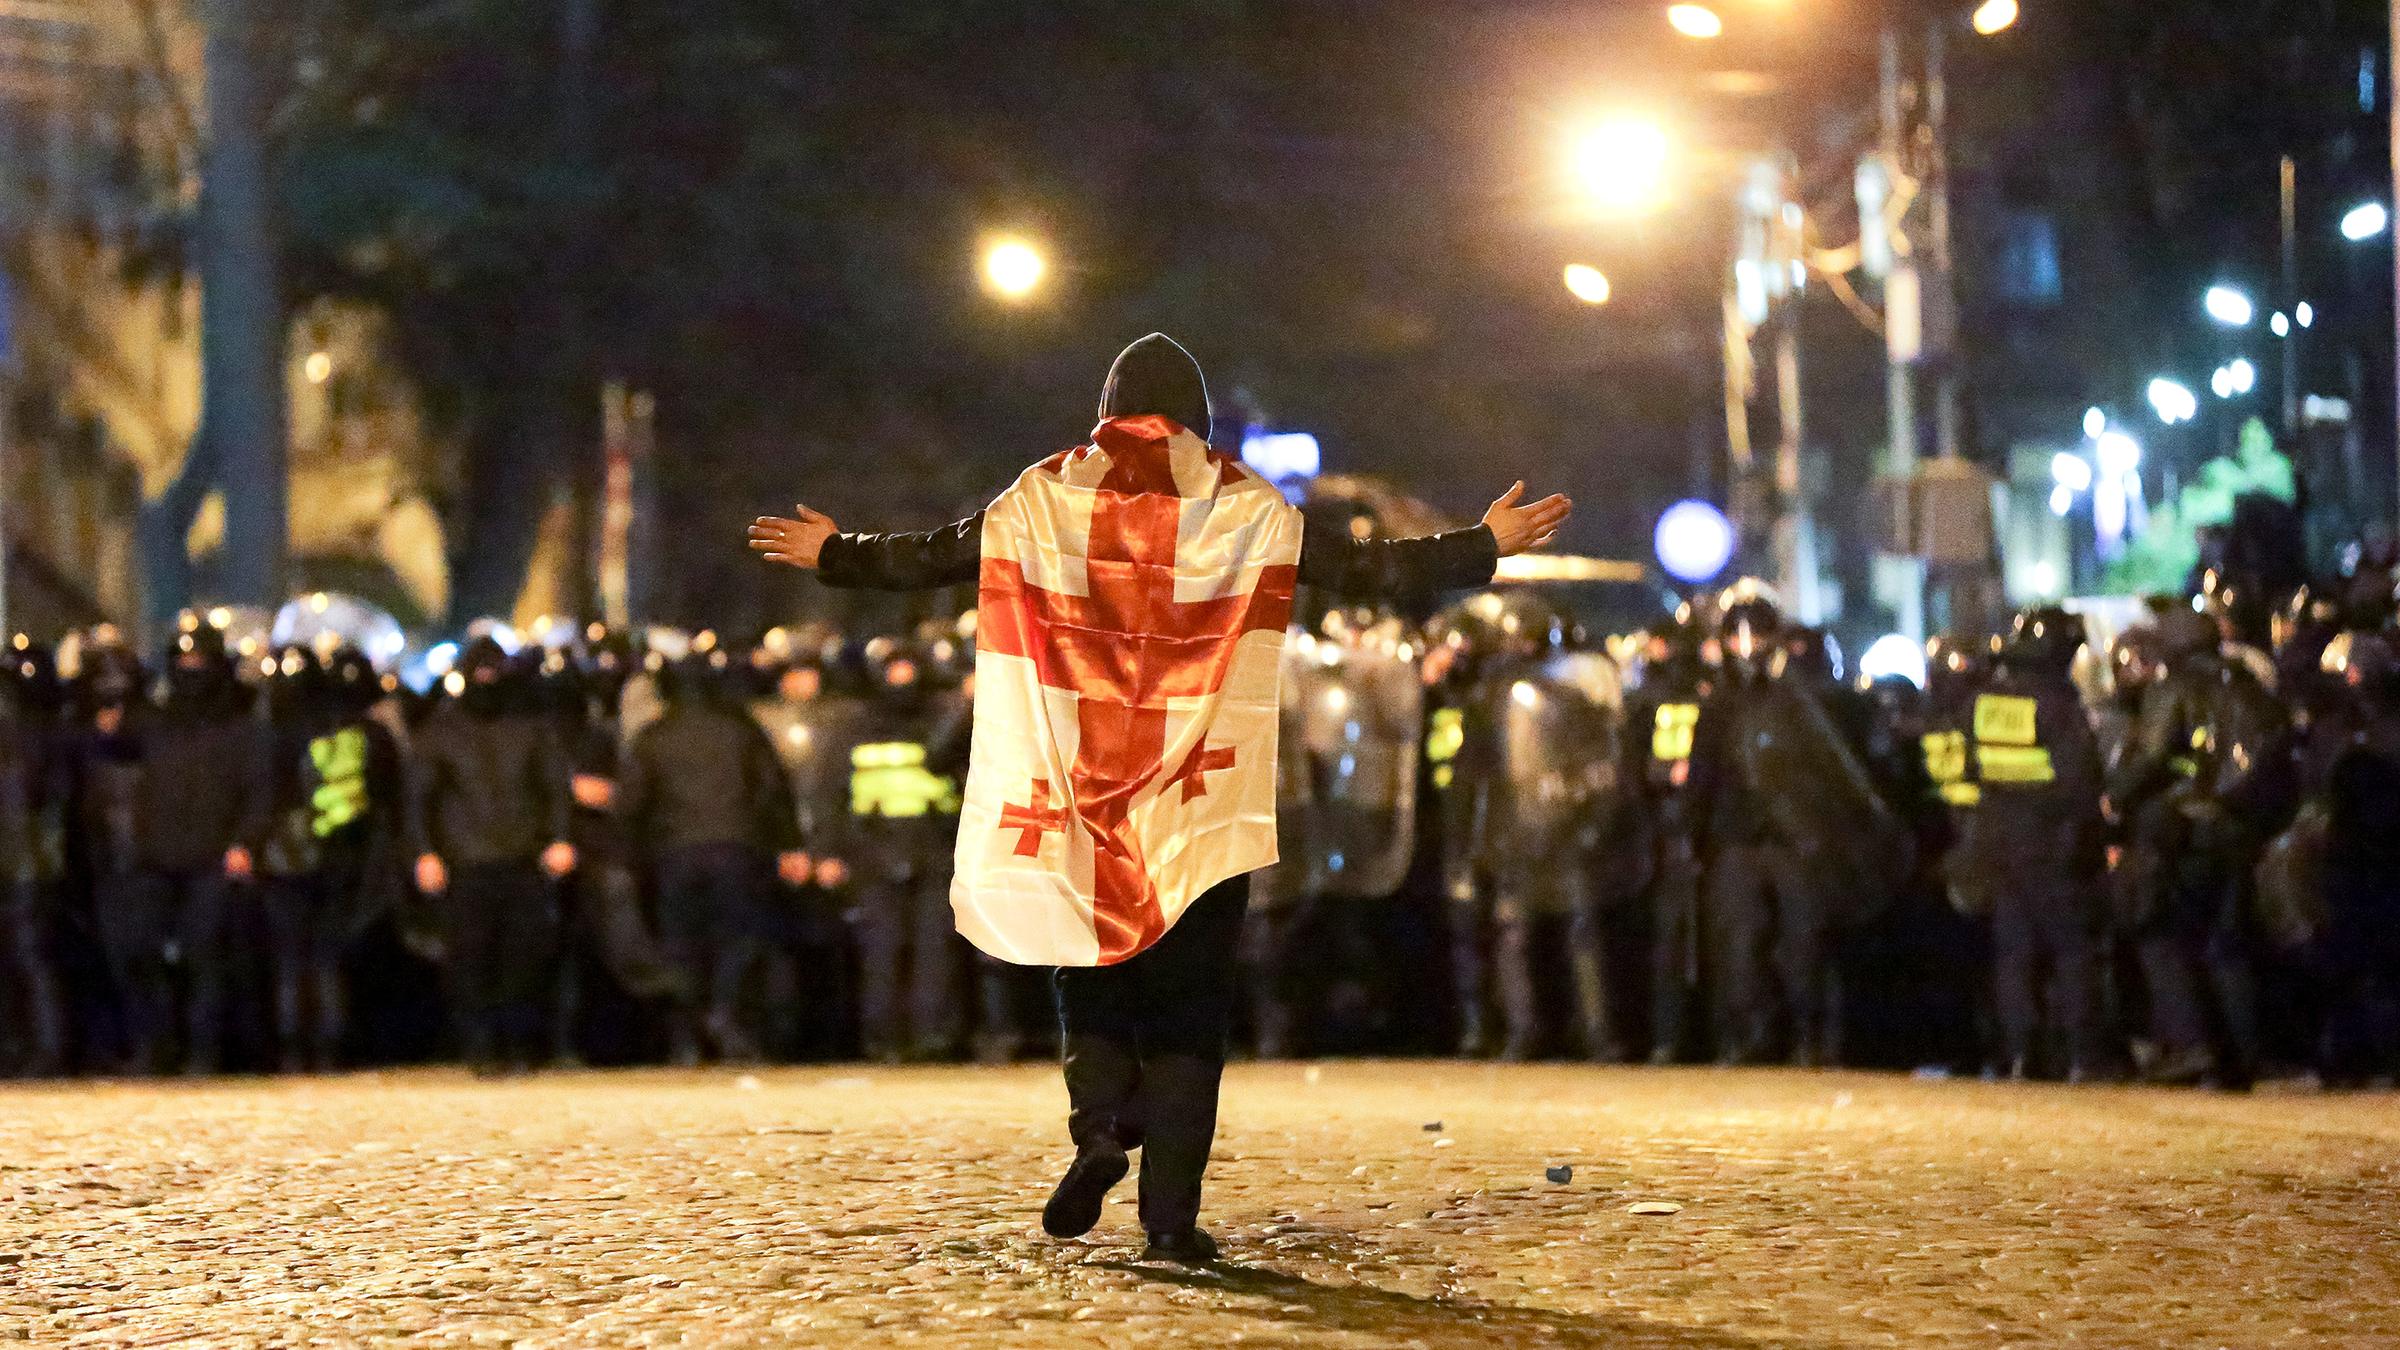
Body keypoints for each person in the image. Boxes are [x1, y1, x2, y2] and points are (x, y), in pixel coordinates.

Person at [749, 332, 1564, 1262]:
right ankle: (1171, 1224)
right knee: (1189, 1009)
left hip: (1078, 789)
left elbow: (933, 557)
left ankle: (1099, 1129)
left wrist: (836, 553)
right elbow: (1372, 571)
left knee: (1082, 961)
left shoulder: (1042, 493)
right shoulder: (1248, 505)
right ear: (1200, 417)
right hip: (1197, 795)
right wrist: (1482, 544)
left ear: (1106, 407)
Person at [87, 623, 269, 1075]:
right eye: (182, 663)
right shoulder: (154, 718)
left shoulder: (240, 726)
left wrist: (245, 842)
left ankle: (203, 1052)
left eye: (198, 663)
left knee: (204, 955)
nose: (191, 672)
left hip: (212, 856)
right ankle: (157, 1045)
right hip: (155, 854)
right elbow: (105, 740)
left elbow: (258, 792)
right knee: (138, 949)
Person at [618, 646, 807, 1065]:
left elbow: (632, 803)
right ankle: (726, 1017)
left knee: (681, 945)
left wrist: (634, 857)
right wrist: (787, 843)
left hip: (675, 853)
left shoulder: (653, 736)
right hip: (737, 849)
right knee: (739, 941)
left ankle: (688, 1037)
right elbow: (772, 790)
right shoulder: (742, 731)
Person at [408, 636, 577, 1074]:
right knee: (472, 960)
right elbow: (420, 797)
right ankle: (482, 1048)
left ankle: (517, 1046)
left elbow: (553, 787)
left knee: (522, 959)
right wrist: (426, 852)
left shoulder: (530, 727)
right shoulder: (443, 730)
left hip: (520, 857)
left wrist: (559, 839)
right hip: (467, 861)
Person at [1971, 608, 2106, 1080]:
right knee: (2073, 953)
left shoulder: (1988, 701)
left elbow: (1978, 773)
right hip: (2052, 847)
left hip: (2001, 846)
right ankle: (2084, 1057)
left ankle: (2022, 1054)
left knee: (2015, 956)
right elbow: (2080, 783)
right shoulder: (2058, 704)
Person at [257, 644, 404, 1072]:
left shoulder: (277, 733)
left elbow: (264, 798)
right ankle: (327, 1049)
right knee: (325, 958)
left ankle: (296, 1051)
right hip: (341, 855)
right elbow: (387, 797)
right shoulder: (363, 733)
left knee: (293, 959)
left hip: (290, 857)